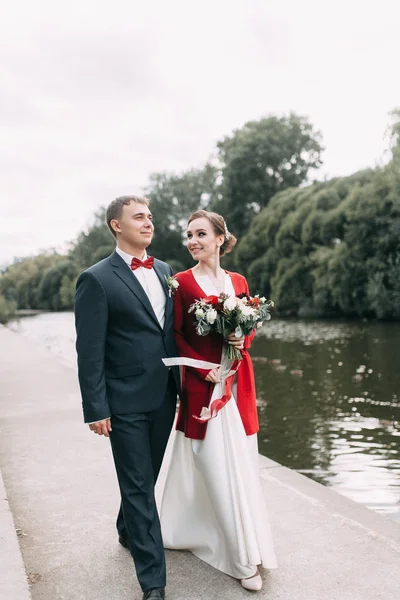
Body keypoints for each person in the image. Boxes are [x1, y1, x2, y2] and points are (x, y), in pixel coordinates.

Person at [159, 209, 277, 592]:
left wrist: (242, 340)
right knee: (210, 463)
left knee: (240, 464)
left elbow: (249, 325)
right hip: (203, 385)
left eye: (200, 234)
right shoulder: (180, 282)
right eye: (189, 235)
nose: (192, 241)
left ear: (220, 238)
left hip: (238, 381)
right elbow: (175, 335)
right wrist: (198, 370)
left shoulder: (238, 280)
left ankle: (249, 544)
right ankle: (241, 559)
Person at [75, 195, 179, 600]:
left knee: (146, 475)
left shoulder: (166, 270)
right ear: (116, 225)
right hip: (124, 400)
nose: (148, 222)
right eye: (138, 217)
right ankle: (154, 582)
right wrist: (95, 408)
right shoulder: (96, 279)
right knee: (138, 485)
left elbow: (169, 332)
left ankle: (125, 528)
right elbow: (89, 350)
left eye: (150, 216)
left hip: (164, 394)